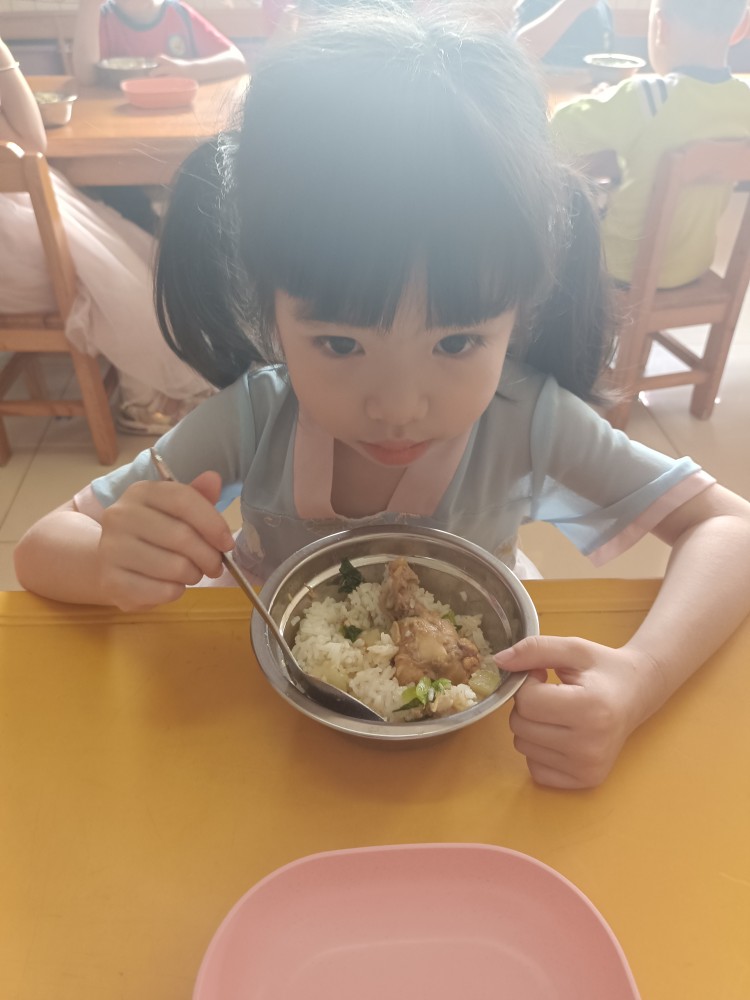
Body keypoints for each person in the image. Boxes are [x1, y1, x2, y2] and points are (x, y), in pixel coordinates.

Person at [14, 9, 750, 790]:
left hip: (476, 756)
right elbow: (39, 549)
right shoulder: (255, 415)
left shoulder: (526, 419)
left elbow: (730, 529)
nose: (398, 407)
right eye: (340, 344)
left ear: (520, 314)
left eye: (457, 343)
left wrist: (639, 679)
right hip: (266, 744)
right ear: (269, 314)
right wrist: (109, 561)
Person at [0, 36, 212, 433]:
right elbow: (32, 143)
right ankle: (144, 400)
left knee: (125, 246)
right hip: (15, 245)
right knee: (114, 270)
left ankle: (147, 390)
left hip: (12, 248)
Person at [552, 0, 750, 288]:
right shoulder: (744, 101)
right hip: (692, 267)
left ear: (661, 26)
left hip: (618, 269)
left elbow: (557, 130)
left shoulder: (646, 97)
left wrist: (601, 97)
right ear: (741, 28)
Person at [72, 0, 247, 85]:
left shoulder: (179, 13)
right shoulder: (102, 18)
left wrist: (188, 70)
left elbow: (237, 61)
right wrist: (89, 5)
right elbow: (86, 77)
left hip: (178, 120)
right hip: (120, 124)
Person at [514, 0, 613, 64]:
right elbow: (520, 55)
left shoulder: (600, 5)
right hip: (550, 84)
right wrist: (572, 5)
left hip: (589, 84)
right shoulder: (535, 3)